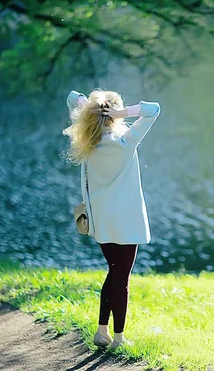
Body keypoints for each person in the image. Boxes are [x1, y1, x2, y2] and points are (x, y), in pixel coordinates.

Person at [63, 89, 161, 349]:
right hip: (128, 223)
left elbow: (73, 95)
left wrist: (91, 107)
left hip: (103, 223)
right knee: (122, 277)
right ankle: (118, 338)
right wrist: (121, 113)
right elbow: (154, 109)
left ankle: (101, 331)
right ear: (115, 115)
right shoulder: (127, 141)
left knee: (114, 273)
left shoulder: (89, 145)